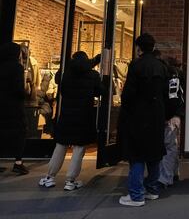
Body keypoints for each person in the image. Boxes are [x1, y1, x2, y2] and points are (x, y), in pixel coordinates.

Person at [38, 52, 103, 190]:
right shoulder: (93, 75)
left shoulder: (66, 74)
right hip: (84, 115)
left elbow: (60, 87)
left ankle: (50, 177)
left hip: (67, 114)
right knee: (79, 148)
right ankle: (70, 180)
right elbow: (99, 92)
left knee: (61, 145)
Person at [118, 34, 169, 207]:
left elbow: (128, 95)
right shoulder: (162, 66)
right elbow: (166, 94)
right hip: (157, 115)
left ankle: (136, 195)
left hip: (138, 116)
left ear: (138, 47)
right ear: (153, 47)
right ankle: (152, 190)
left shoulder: (136, 65)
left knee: (137, 156)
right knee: (154, 154)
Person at [0, 42, 28, 175]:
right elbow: (18, 89)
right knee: (19, 133)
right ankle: (18, 162)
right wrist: (26, 93)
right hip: (14, 106)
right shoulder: (17, 68)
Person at [158, 56, 185, 187]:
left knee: (168, 146)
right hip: (176, 113)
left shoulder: (171, 75)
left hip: (171, 115)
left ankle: (165, 178)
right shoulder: (178, 74)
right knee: (172, 145)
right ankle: (173, 173)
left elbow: (172, 97)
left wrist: (167, 115)